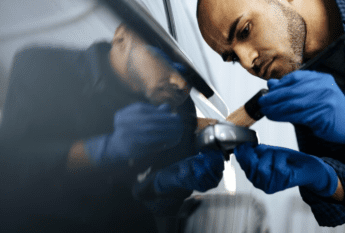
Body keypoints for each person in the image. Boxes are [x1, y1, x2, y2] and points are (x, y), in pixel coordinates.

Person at [196, 0, 345, 232]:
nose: (247, 62)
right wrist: (317, 174)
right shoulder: (296, 69)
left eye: (244, 31)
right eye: (232, 57)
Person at [0, 23, 225, 232]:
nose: (182, 84)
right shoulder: (42, 68)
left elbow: (158, 210)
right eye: (165, 58)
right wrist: (105, 149)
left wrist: (171, 181)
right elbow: (12, 169)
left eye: (189, 76)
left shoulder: (178, 108)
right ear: (121, 38)